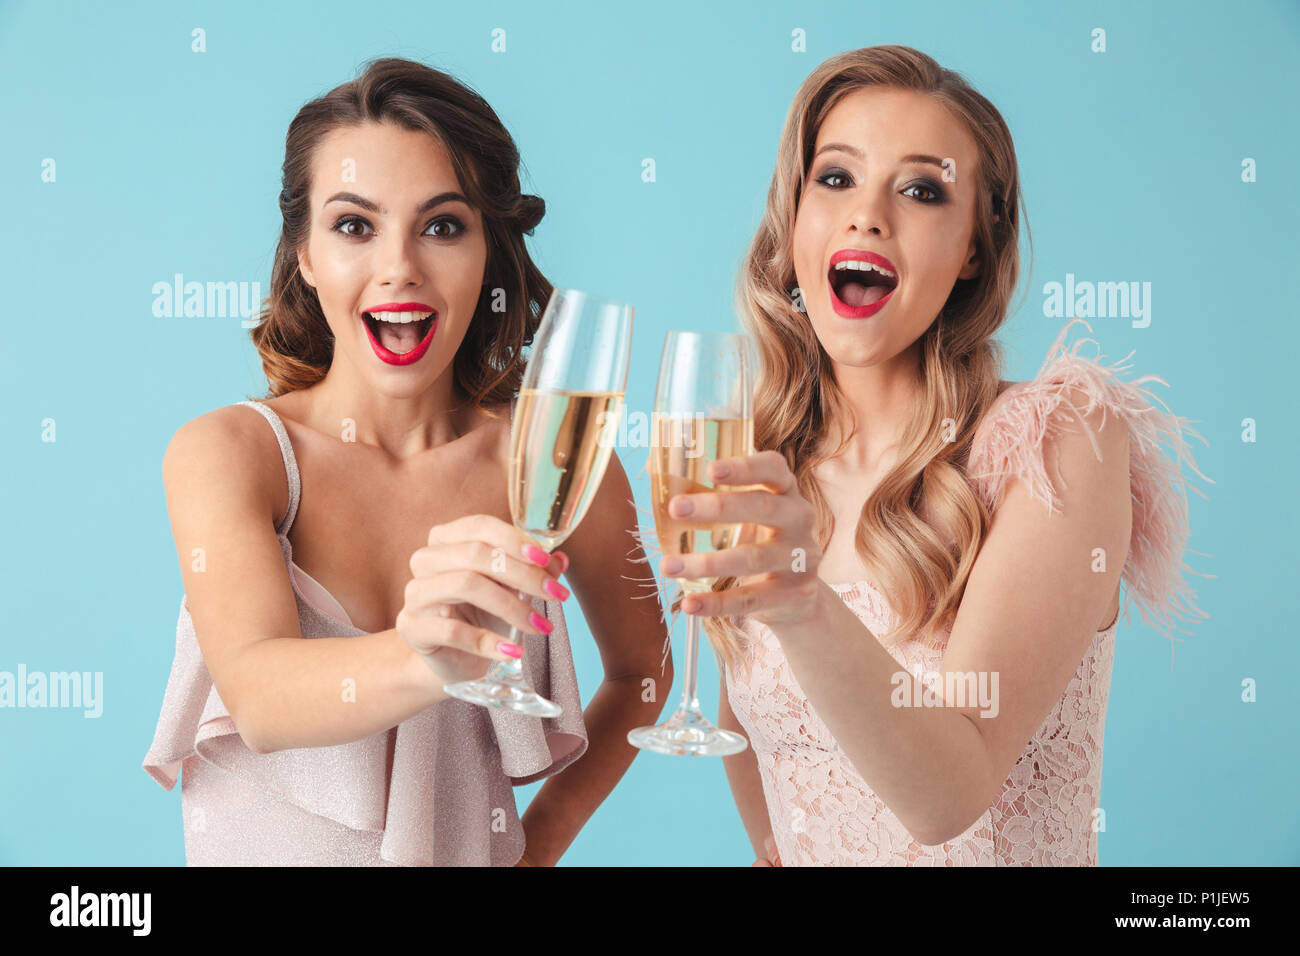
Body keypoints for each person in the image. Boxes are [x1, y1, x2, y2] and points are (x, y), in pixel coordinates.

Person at [669, 45, 1210, 866]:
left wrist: (803, 600)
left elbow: (948, 796)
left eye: (923, 190)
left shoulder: (1059, 440)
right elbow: (757, 749)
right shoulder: (766, 464)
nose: (868, 216)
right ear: (795, 220)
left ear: (973, 253)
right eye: (836, 178)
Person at [142, 57, 670, 866]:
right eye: (355, 226)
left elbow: (647, 667)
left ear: (490, 253)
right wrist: (429, 656)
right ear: (306, 255)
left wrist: (541, 841)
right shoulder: (231, 453)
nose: (400, 267)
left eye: (443, 225)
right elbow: (259, 697)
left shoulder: (554, 463)